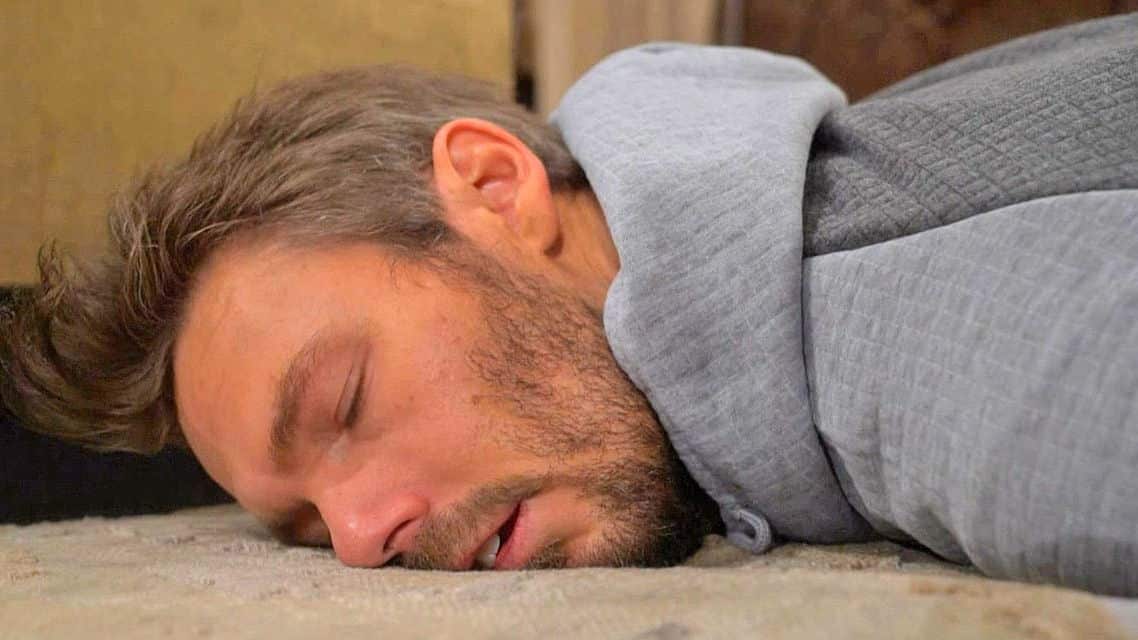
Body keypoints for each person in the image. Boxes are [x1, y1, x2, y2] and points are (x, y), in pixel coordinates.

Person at [2, 15, 1135, 594]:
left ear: (496, 187)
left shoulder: (884, 333)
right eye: (302, 525)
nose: (357, 543)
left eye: (344, 402)